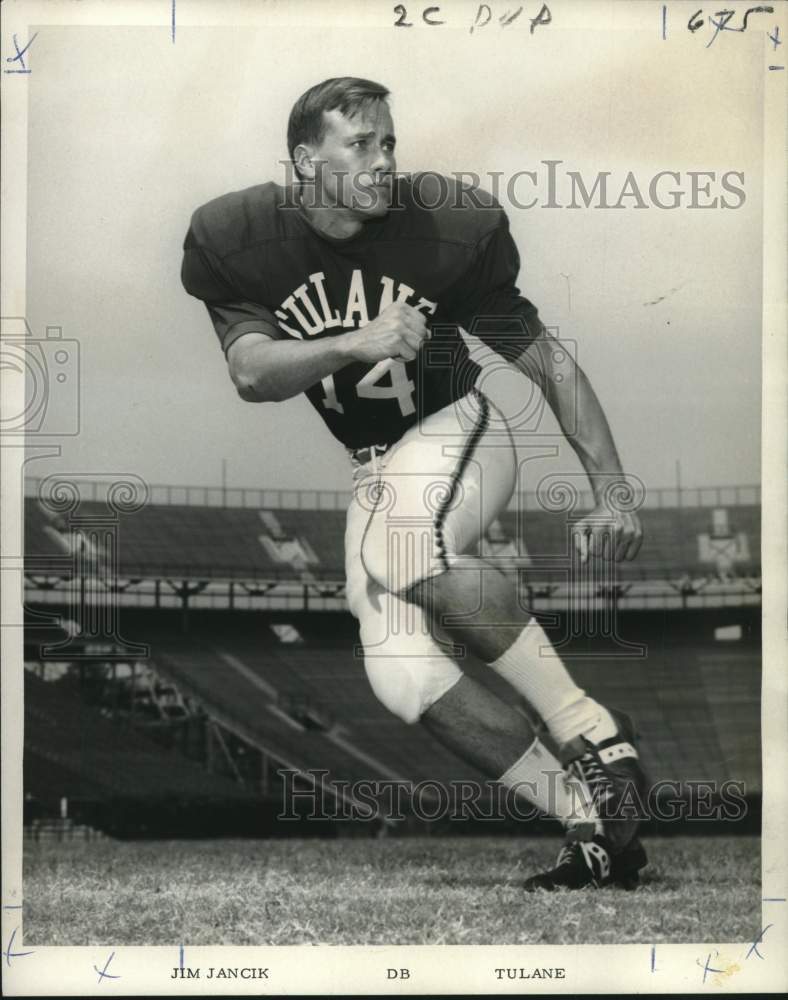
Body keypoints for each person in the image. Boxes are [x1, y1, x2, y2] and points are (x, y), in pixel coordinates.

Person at [181, 77, 648, 890]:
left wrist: (611, 489)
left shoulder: (441, 226)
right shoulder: (236, 235)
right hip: (378, 469)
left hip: (461, 425)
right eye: (360, 144)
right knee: (401, 674)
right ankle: (589, 819)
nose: (384, 161)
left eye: (389, 142)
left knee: (406, 547)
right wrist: (351, 344)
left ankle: (594, 732)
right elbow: (252, 374)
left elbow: (546, 361)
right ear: (305, 159)